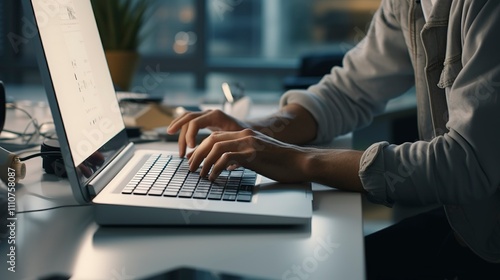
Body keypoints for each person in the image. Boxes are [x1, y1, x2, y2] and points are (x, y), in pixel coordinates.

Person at [167, 0, 500, 278]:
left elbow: (464, 164)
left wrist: (299, 161)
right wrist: (261, 130)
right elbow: (351, 89)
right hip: (465, 226)